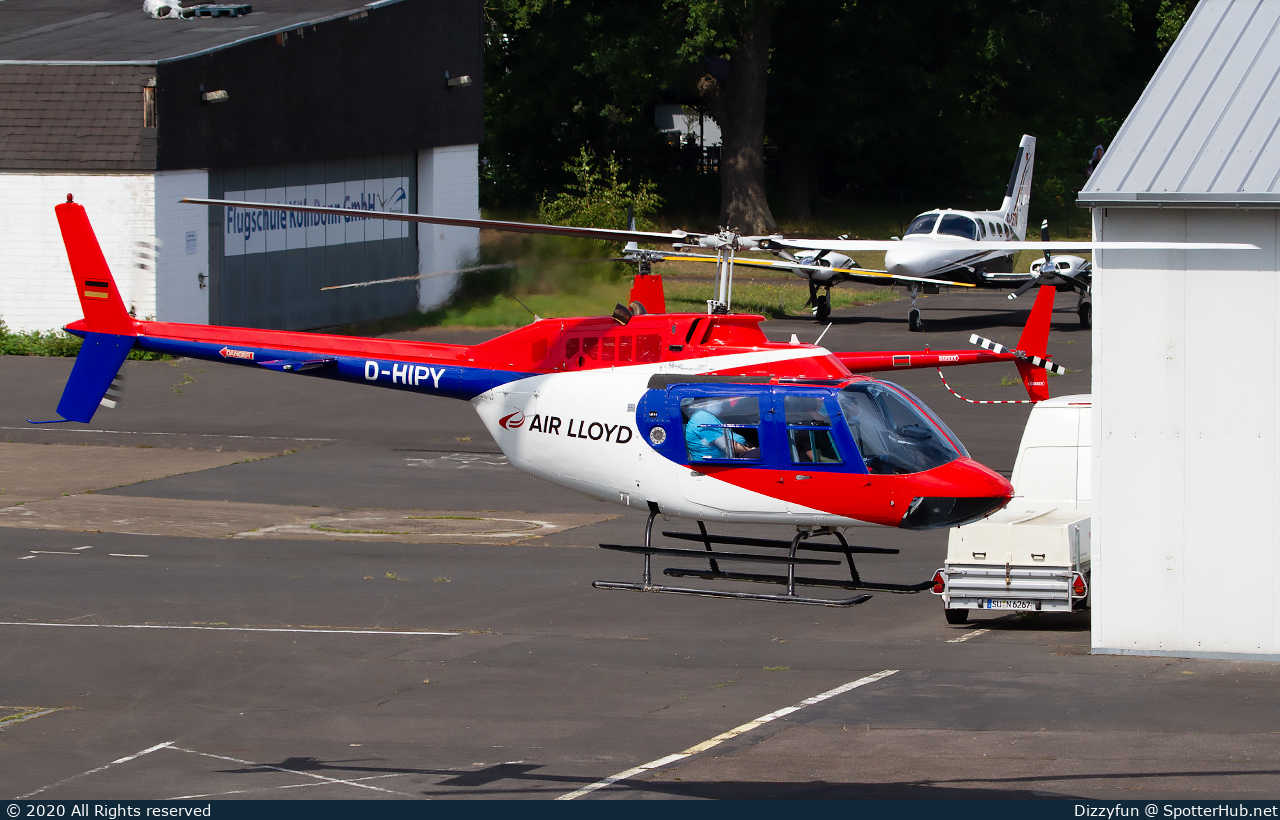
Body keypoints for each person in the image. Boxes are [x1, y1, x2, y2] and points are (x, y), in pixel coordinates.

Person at [684, 398, 757, 460]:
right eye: (717, 399)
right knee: (762, 453)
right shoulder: (702, 418)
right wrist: (749, 450)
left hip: (731, 456)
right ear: (706, 401)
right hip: (718, 463)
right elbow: (725, 445)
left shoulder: (715, 417)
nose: (721, 403)